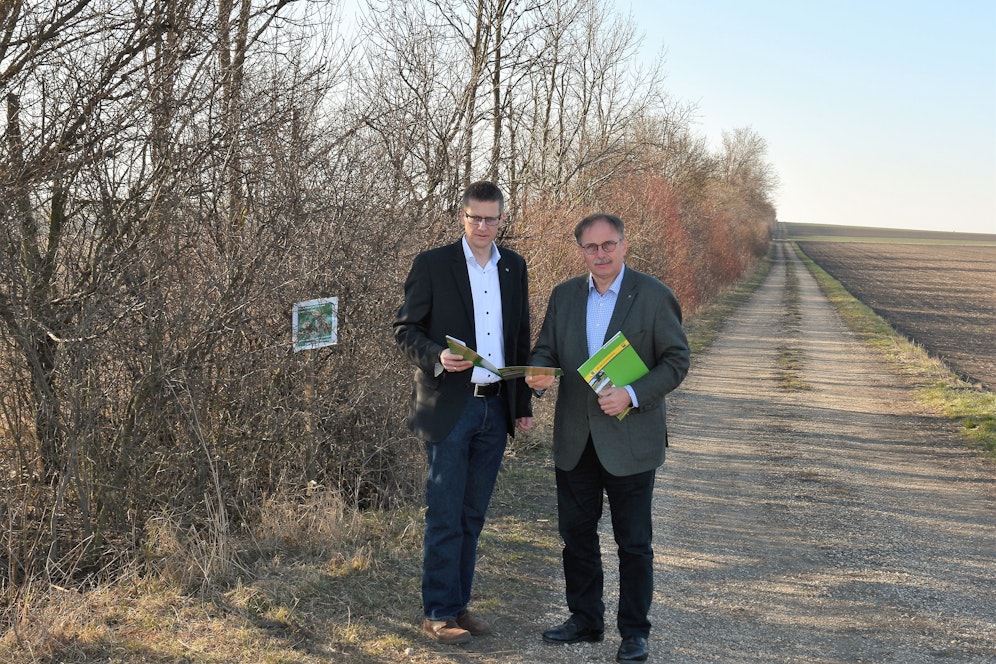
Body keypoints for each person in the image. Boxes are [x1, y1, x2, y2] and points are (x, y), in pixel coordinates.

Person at [526, 213, 690, 662]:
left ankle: (634, 632)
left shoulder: (655, 296)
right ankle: (585, 620)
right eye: (591, 247)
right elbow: (546, 347)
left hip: (631, 442)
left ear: (623, 244)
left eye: (608, 245)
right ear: (581, 250)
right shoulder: (564, 296)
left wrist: (633, 394)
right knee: (576, 538)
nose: (600, 254)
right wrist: (539, 370)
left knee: (633, 544)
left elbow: (676, 361)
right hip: (575, 440)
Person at [393, 180, 534, 645]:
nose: (483, 226)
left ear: (501, 219)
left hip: (495, 410)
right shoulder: (433, 264)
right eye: (475, 217)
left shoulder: (514, 266)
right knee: (445, 514)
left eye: (492, 218)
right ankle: (437, 612)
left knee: (473, 516)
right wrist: (437, 357)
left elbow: (518, 340)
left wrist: (522, 407)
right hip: (450, 409)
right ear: (462, 216)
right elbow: (406, 329)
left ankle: (458, 605)